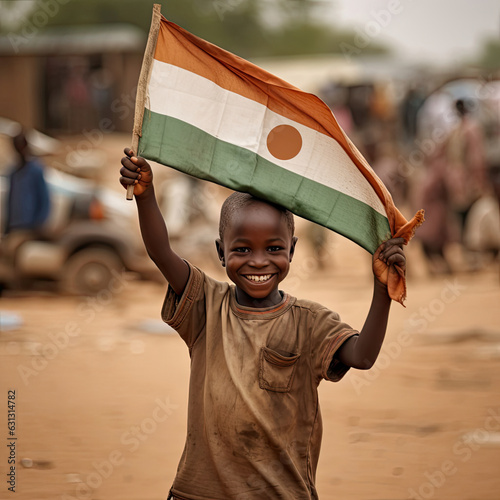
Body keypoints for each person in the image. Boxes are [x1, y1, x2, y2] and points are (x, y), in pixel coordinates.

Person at [120, 148, 406, 500]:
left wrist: (382, 290)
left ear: (292, 250)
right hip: (200, 493)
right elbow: (161, 252)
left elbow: (362, 356)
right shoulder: (206, 305)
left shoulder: (310, 322)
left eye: (273, 249)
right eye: (242, 250)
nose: (258, 262)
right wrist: (145, 196)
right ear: (221, 251)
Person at [2, 129, 51, 259]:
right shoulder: (14, 172)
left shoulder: (35, 170)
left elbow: (44, 198)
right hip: (15, 226)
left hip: (29, 226)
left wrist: (40, 223)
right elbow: (10, 200)